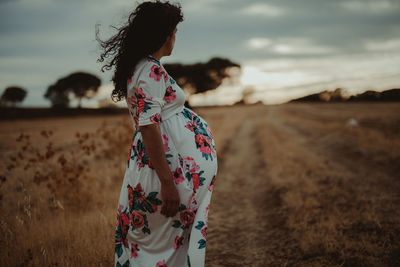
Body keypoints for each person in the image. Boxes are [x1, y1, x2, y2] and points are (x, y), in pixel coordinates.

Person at [96, 1, 218, 266]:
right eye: (174, 32)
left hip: (155, 170)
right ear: (165, 35)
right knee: (157, 252)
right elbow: (148, 127)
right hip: (161, 175)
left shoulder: (142, 67)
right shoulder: (150, 70)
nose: (175, 38)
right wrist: (167, 184)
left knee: (158, 249)